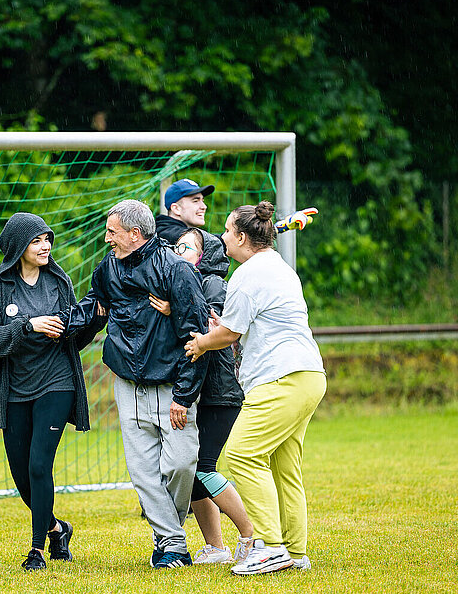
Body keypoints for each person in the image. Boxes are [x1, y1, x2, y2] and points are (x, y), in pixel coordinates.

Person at [185, 201, 326, 576]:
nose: (223, 237)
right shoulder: (278, 267)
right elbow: (240, 329)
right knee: (285, 467)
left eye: (228, 231)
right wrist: (222, 331)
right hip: (309, 374)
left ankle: (271, 546)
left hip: (281, 378)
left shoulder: (247, 275)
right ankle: (294, 551)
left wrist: (201, 342)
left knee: (242, 456)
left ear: (243, 237)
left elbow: (229, 333)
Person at [0, 212, 105, 572]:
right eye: (37, 240)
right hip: (13, 388)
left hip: (56, 383)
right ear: (19, 246)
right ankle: (57, 529)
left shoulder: (59, 282)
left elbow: (73, 339)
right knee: (21, 476)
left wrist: (93, 320)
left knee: (38, 465)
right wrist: (27, 326)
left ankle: (36, 550)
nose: (45, 245)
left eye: (47, 238)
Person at [90, 199, 209, 570]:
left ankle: (166, 533)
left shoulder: (176, 270)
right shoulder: (107, 268)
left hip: (172, 386)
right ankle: (172, 545)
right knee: (143, 471)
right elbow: (95, 307)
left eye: (112, 232)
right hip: (127, 384)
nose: (107, 239)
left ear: (134, 234)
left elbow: (196, 336)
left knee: (180, 464)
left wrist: (184, 396)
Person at [149, 228, 254, 565]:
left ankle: (252, 536)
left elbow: (216, 329)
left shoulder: (213, 284)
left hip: (221, 394)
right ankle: (216, 547)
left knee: (204, 468)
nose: (177, 250)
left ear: (204, 255)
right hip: (200, 394)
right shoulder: (180, 282)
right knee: (191, 472)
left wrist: (175, 309)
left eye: (187, 246)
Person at [155, 178, 215, 245]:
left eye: (202, 201)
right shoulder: (166, 235)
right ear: (176, 209)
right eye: (195, 201)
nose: (204, 207)